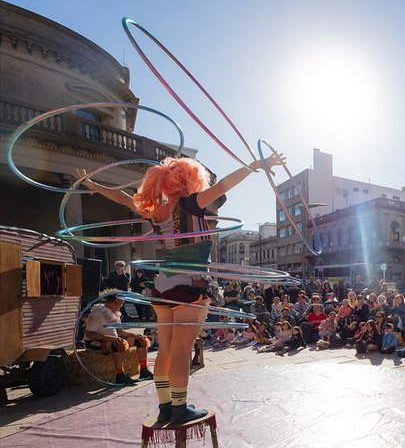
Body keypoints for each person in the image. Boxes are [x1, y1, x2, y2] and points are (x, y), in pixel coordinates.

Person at [75, 153, 284, 423]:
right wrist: (255, 165)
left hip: (163, 286)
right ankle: (179, 408)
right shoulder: (192, 204)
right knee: (182, 350)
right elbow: (224, 185)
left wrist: (91, 184)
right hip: (190, 285)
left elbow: (123, 198)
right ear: (190, 178)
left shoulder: (154, 211)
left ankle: (166, 405)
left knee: (166, 349)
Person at [84, 290, 152, 384]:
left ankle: (144, 370)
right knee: (118, 344)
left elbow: (120, 332)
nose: (122, 305)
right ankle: (120, 375)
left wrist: (135, 335)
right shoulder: (97, 313)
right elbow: (89, 334)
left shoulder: (115, 314)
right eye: (121, 302)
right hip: (93, 341)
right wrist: (111, 338)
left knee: (141, 340)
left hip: (112, 339)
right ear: (116, 301)